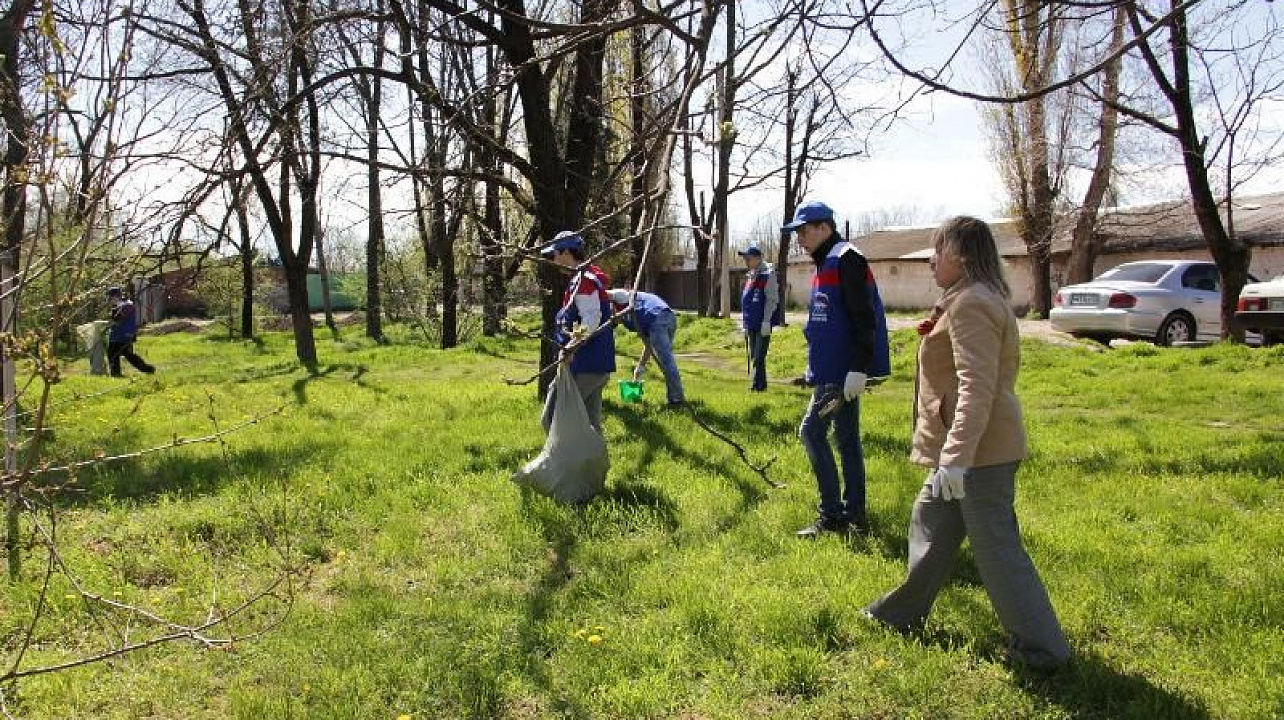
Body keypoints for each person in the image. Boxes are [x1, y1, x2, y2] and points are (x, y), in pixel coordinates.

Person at [864, 216, 1071, 670]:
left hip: (978, 455)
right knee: (930, 523)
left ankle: (1043, 650)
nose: (931, 260)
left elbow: (976, 386)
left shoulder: (972, 303)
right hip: (966, 451)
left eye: (938, 249)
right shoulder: (965, 298)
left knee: (997, 550)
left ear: (960, 253)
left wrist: (955, 462)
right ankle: (898, 614)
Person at [786, 201, 886, 538]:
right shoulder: (826, 262)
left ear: (824, 228)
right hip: (830, 371)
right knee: (846, 440)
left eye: (803, 230)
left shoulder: (847, 259)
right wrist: (812, 368)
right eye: (797, 232)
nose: (799, 238)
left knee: (811, 433)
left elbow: (864, 319)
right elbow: (826, 323)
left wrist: (858, 369)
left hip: (843, 373)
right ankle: (854, 515)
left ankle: (832, 516)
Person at [541, 231, 616, 435]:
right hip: (597, 364)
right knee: (591, 424)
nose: (554, 260)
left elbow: (592, 319)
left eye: (555, 254)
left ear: (566, 252)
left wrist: (571, 347)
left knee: (554, 418)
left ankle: (561, 464)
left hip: (584, 364)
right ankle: (594, 465)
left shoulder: (584, 280)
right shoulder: (585, 277)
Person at [607, 288, 685, 407]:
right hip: (667, 317)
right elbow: (648, 344)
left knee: (667, 363)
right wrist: (641, 366)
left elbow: (603, 293)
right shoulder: (631, 317)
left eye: (614, 320)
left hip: (658, 317)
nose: (617, 322)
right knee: (666, 363)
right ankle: (674, 397)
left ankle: (677, 400)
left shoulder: (620, 296)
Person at [738, 245, 782, 391]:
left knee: (758, 356)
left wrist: (766, 320)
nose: (746, 261)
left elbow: (772, 299)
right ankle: (760, 386)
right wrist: (744, 322)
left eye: (748, 258)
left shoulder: (768, 274)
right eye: (745, 258)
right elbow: (747, 300)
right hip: (751, 322)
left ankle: (756, 386)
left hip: (763, 322)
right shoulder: (751, 275)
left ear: (758, 258)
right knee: (755, 357)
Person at [105, 286, 155, 377]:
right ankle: (148, 369)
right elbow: (114, 320)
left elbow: (118, 321)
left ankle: (147, 369)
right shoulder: (117, 306)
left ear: (116, 296)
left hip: (124, 335)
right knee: (121, 354)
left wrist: (111, 322)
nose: (109, 299)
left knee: (117, 354)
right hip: (117, 335)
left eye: (110, 297)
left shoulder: (127, 306)